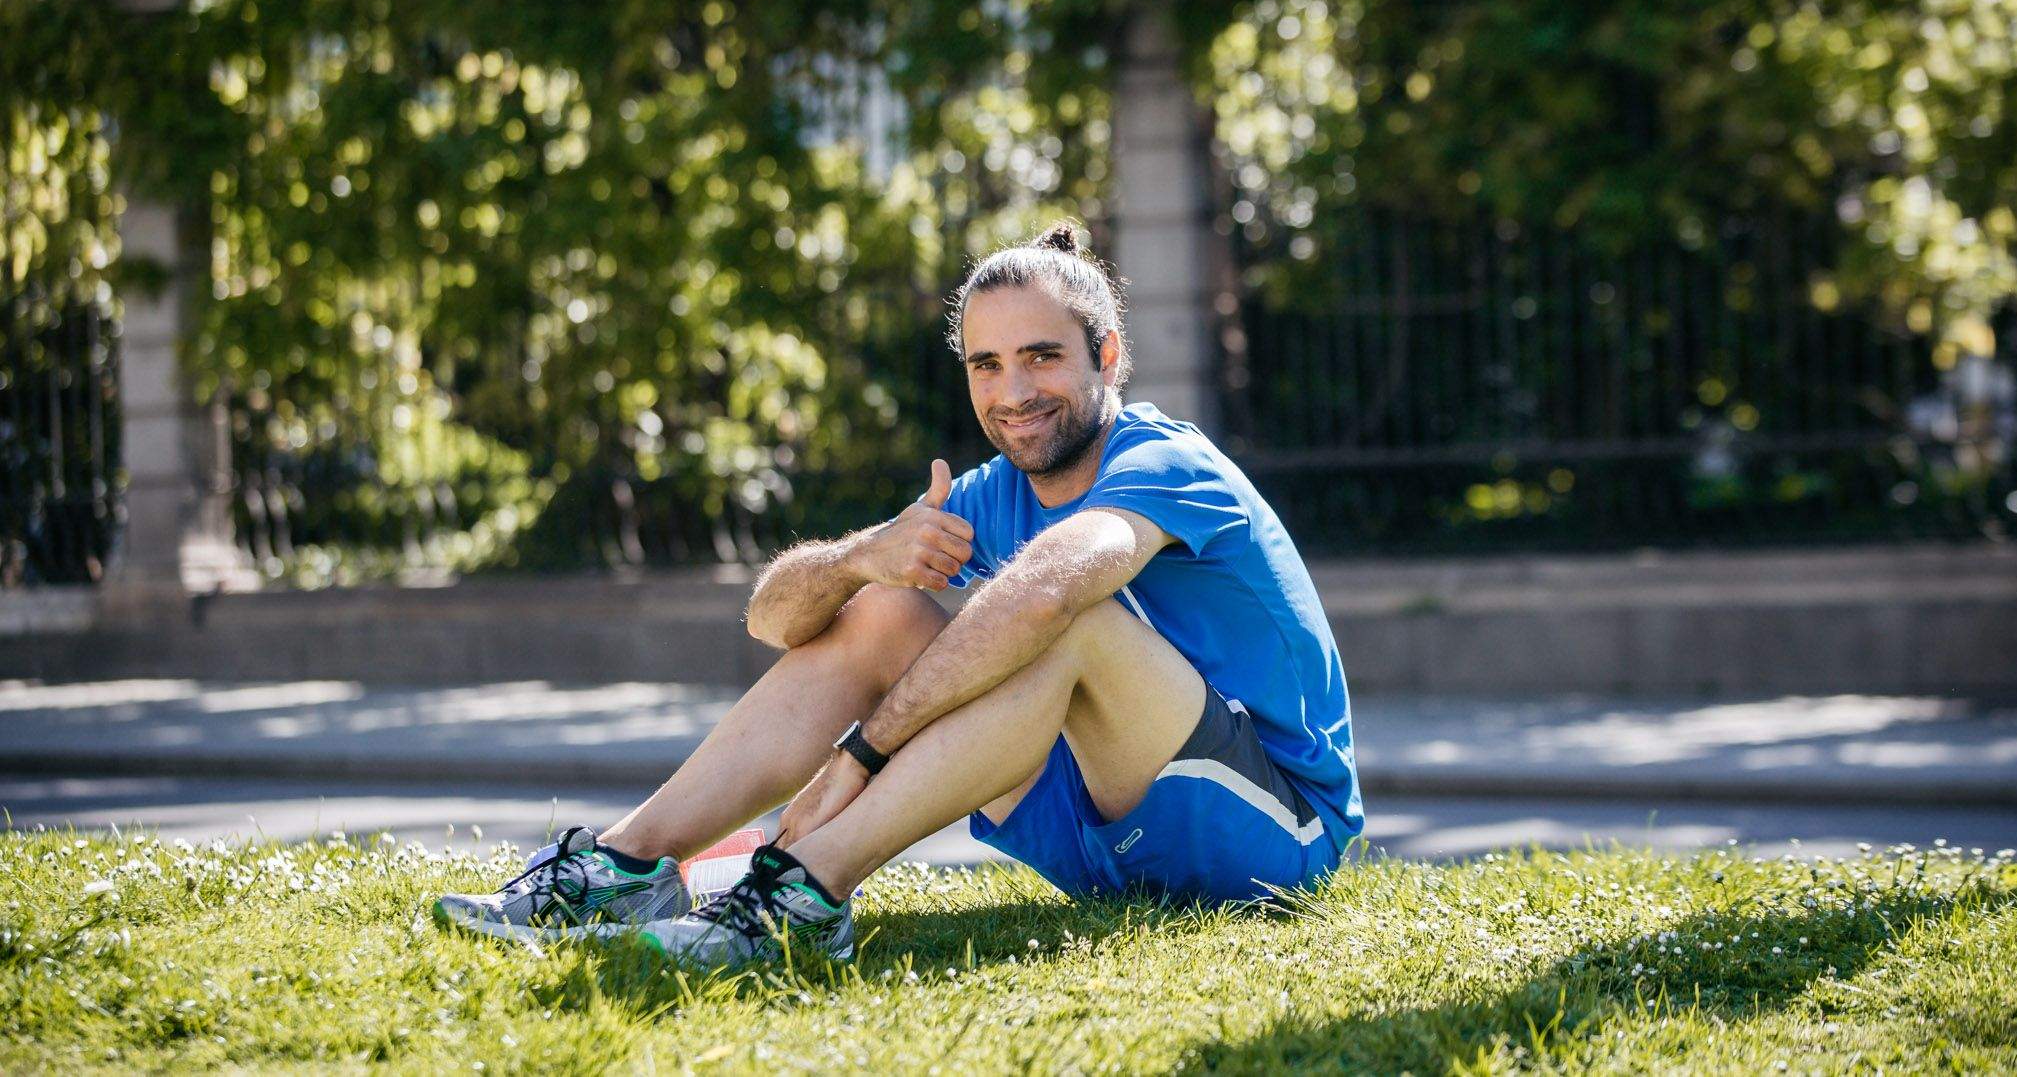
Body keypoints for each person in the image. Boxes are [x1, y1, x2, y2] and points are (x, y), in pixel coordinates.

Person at [435, 222, 1362, 965]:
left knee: (1067, 622)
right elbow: (773, 620)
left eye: (1042, 357)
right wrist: (861, 556)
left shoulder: (1165, 462)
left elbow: (1045, 596)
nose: (1014, 392)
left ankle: (803, 890)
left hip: (1275, 834)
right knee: (883, 609)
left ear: (1107, 355)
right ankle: (625, 863)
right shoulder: (989, 493)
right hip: (1103, 831)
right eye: (986, 365)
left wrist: (858, 758)